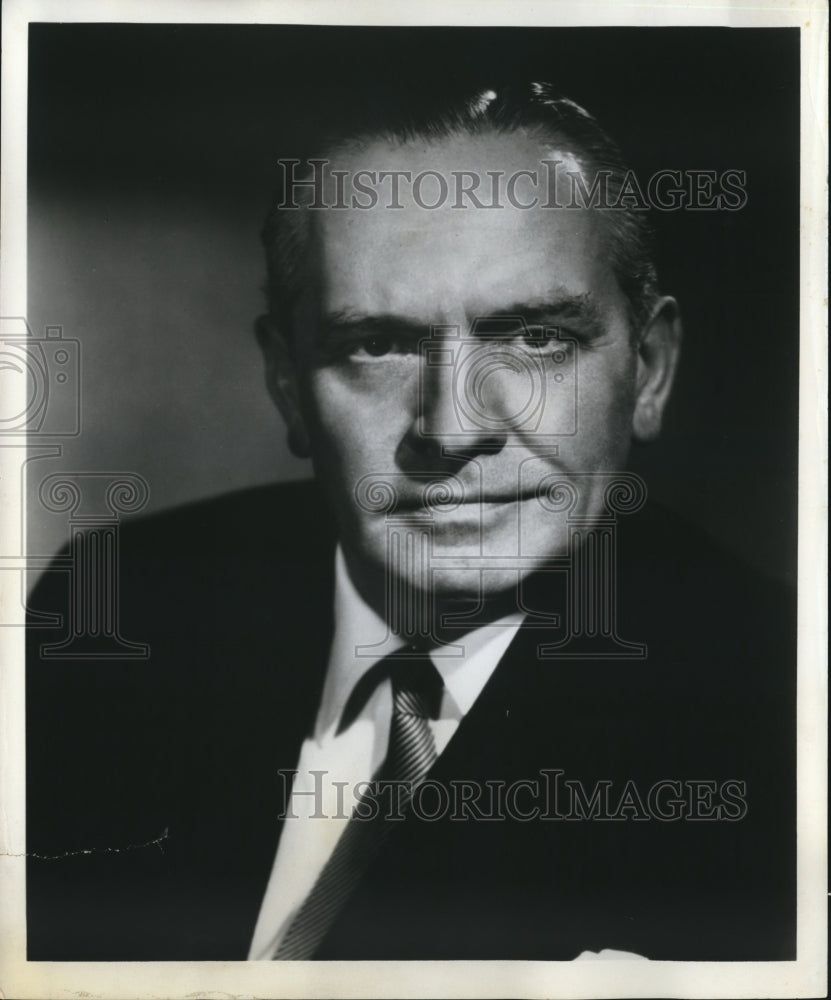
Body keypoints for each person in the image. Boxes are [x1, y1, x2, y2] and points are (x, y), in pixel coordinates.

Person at [26, 82, 795, 962]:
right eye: (377, 345)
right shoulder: (121, 606)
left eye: (534, 337)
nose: (451, 428)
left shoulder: (777, 708)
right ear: (286, 381)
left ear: (649, 370)